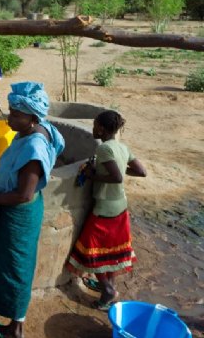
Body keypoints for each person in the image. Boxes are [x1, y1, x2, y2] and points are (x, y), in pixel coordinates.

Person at [0, 82, 65, 338]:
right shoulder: (33, 131)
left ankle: (16, 328)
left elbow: (23, 194)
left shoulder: (34, 148)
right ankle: (6, 315)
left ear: (32, 117)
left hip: (19, 215)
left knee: (16, 268)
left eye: (16, 115)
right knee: (6, 264)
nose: (10, 118)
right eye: (11, 111)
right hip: (14, 211)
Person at [66, 110, 146, 311]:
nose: (93, 128)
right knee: (111, 250)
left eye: (94, 125)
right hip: (120, 205)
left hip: (105, 207)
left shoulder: (103, 150)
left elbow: (117, 177)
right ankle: (110, 287)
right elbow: (141, 171)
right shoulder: (121, 147)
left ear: (101, 128)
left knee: (91, 249)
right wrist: (117, 167)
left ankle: (108, 291)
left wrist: (94, 176)